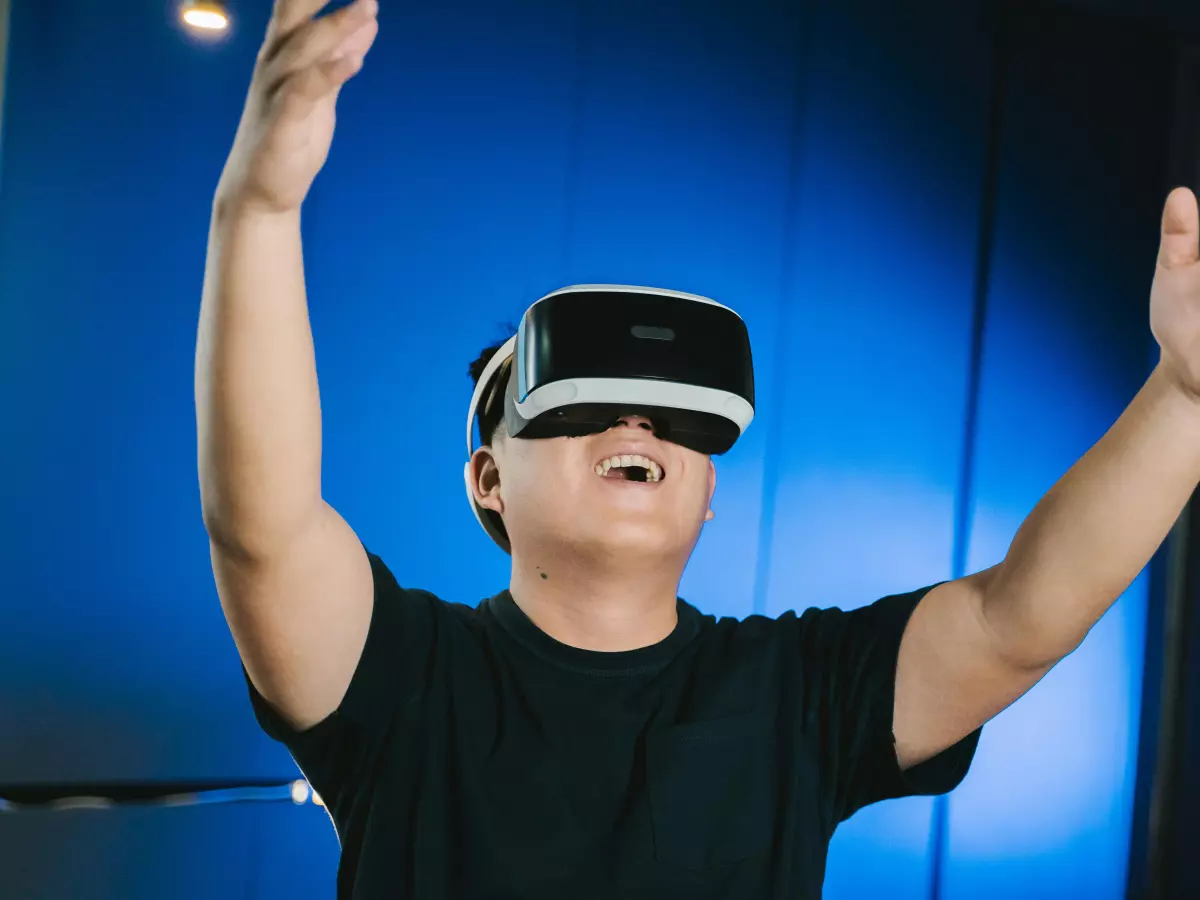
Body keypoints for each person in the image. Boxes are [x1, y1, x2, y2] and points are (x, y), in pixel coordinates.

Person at [194, 1, 1200, 897]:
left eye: (674, 415)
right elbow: (262, 528)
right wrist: (260, 209)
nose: (636, 424)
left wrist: (1185, 397)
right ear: (488, 479)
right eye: (576, 401)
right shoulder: (399, 678)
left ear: (710, 490)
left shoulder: (797, 693)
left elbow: (1017, 618)